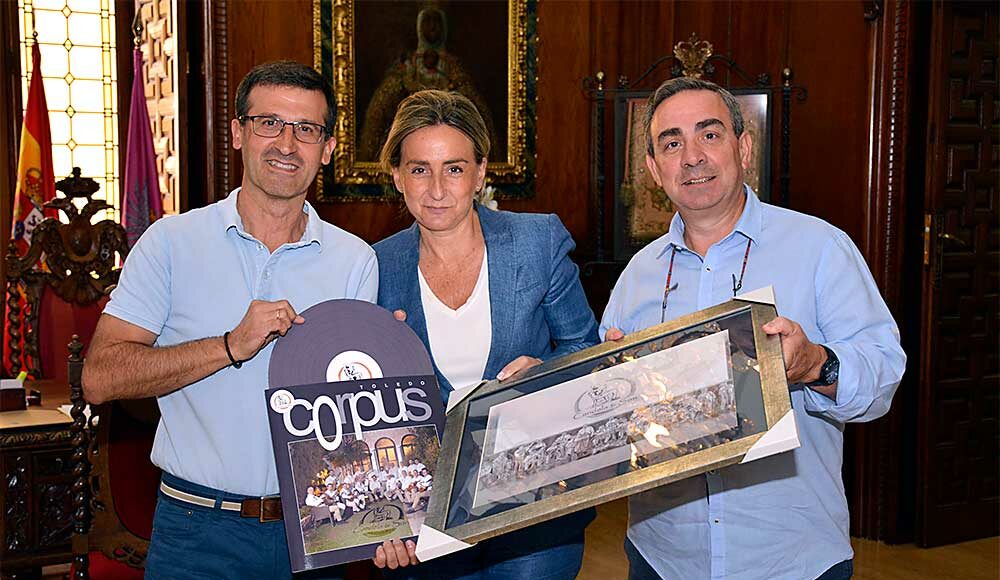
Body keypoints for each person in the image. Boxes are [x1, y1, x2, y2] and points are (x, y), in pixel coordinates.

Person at [600, 77, 906, 580]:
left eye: (709, 134)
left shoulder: (820, 248)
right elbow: (616, 426)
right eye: (672, 144)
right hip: (665, 556)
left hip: (790, 558)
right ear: (654, 169)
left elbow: (883, 378)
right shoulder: (638, 276)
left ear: (743, 147)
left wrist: (815, 364)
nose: (692, 157)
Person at [81, 60, 377, 580]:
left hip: (315, 527)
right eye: (269, 123)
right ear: (238, 133)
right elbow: (99, 378)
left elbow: (357, 415)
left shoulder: (355, 260)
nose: (287, 144)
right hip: (197, 531)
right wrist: (228, 346)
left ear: (328, 149)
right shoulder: (171, 243)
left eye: (306, 129)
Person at [372, 89, 600, 577]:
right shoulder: (375, 267)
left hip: (536, 503)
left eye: (454, 168)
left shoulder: (536, 242)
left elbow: (586, 347)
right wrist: (381, 515)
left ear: (479, 173)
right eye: (419, 169)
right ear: (397, 176)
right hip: (428, 517)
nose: (437, 189)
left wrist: (545, 372)